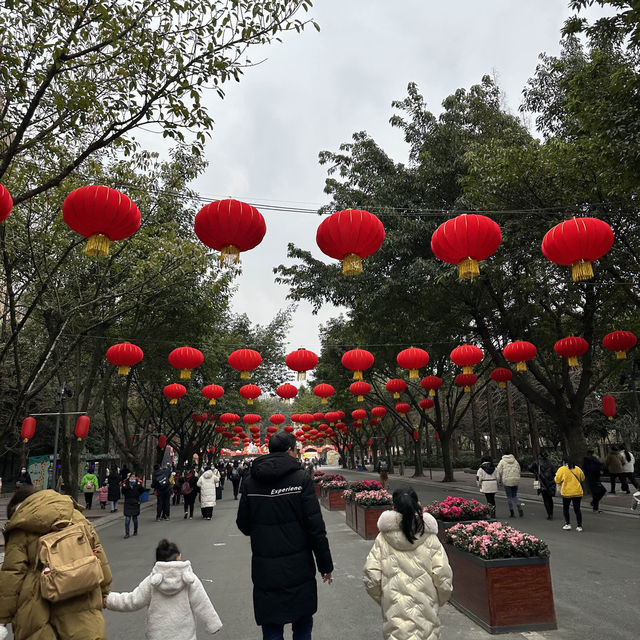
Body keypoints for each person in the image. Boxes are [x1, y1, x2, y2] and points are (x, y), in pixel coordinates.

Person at [237, 431, 333, 640]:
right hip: (299, 569)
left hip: (265, 570)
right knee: (302, 627)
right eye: (297, 449)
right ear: (289, 450)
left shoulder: (251, 481)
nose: (298, 453)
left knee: (272, 628)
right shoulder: (301, 478)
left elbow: (243, 525)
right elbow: (315, 527)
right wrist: (326, 566)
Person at [0, 486, 112, 639]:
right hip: (83, 592)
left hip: (37, 604)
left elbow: (12, 575)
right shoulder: (75, 515)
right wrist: (105, 589)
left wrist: (2, 618)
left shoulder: (20, 526)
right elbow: (97, 552)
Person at [363, 487, 453, 640]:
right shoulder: (430, 538)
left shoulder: (383, 538)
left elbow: (371, 576)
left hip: (394, 615)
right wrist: (437, 600)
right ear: (418, 504)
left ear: (393, 508)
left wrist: (385, 599)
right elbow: (443, 578)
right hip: (427, 613)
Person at [105, 539, 222, 639]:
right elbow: (202, 603)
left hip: (158, 635)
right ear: (179, 557)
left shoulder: (152, 581)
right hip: (184, 635)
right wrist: (213, 624)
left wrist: (107, 599)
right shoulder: (189, 579)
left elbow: (132, 600)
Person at [555, 456, 585, 531]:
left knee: (566, 508)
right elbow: (582, 478)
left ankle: (568, 524)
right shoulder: (577, 469)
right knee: (577, 509)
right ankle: (579, 526)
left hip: (566, 492)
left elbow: (557, 480)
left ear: (564, 462)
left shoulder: (562, 469)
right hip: (577, 492)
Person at [528, 451, 556, 520]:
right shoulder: (550, 463)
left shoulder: (537, 462)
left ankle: (549, 514)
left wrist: (536, 472)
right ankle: (551, 512)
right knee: (550, 498)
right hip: (550, 482)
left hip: (541, 482)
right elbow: (554, 472)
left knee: (545, 498)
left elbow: (529, 467)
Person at [496, 450, 523, 517]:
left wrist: (499, 481)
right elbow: (519, 469)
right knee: (514, 495)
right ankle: (518, 505)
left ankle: (512, 512)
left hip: (507, 480)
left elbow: (498, 471)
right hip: (515, 480)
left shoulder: (502, 461)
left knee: (509, 497)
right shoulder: (515, 461)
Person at [122, 473, 145, 539]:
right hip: (128, 502)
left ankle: (135, 530)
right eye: (131, 476)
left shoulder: (138, 483)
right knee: (127, 519)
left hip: (135, 501)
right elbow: (123, 492)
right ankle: (127, 533)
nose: (132, 477)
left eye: (133, 476)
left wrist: (138, 494)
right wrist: (124, 488)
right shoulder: (125, 483)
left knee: (134, 518)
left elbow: (142, 490)